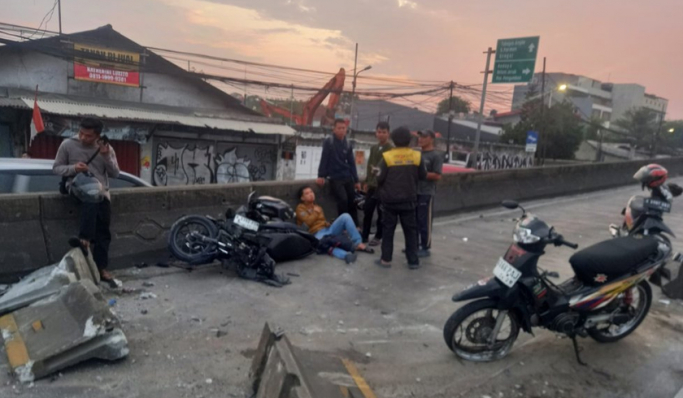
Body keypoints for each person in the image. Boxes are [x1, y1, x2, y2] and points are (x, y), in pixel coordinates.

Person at [53, 117, 120, 282]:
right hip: (76, 186)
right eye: (81, 133)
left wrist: (105, 156)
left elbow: (115, 173)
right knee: (90, 195)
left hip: (101, 191)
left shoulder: (106, 148)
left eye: (88, 136)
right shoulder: (67, 145)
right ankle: (84, 237)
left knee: (104, 231)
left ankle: (101, 268)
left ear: (97, 135)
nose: (83, 138)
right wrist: (74, 168)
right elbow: (56, 168)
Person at [376, 127, 426, 269]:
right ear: (410, 140)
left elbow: (379, 177)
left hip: (390, 201)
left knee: (388, 231)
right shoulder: (417, 156)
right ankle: (413, 261)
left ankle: (386, 260)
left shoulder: (387, 156)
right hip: (409, 200)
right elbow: (423, 175)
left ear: (392, 139)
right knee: (410, 231)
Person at [296, 186, 373, 264]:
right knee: (326, 244)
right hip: (316, 234)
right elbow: (308, 222)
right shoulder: (300, 208)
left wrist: (328, 223)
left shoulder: (317, 207)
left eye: (311, 192)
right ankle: (346, 255)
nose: (311, 194)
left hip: (327, 229)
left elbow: (322, 221)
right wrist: (315, 212)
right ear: (302, 198)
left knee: (345, 216)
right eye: (307, 193)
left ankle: (358, 243)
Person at [316, 118, 360, 225]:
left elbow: (351, 163)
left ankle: (355, 225)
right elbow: (324, 158)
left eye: (343, 128)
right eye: (339, 128)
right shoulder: (329, 142)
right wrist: (321, 175)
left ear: (346, 129)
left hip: (347, 176)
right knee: (343, 200)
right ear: (334, 129)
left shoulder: (348, 144)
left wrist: (356, 180)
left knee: (352, 200)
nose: (341, 130)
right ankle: (343, 224)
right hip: (335, 177)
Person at [362, 121, 392, 247]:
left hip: (383, 186)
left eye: (383, 132)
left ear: (388, 134)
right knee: (367, 210)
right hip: (371, 186)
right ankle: (364, 235)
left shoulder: (390, 149)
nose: (381, 135)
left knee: (381, 213)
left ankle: (378, 235)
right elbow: (370, 166)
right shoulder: (374, 148)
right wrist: (366, 181)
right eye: (379, 132)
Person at [416, 130, 443, 258]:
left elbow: (437, 175)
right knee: (414, 219)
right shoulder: (417, 154)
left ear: (431, 139)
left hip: (426, 192)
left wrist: (423, 174)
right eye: (420, 136)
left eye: (424, 137)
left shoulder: (435, 156)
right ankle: (414, 244)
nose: (420, 139)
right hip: (415, 191)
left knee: (424, 220)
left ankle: (425, 246)